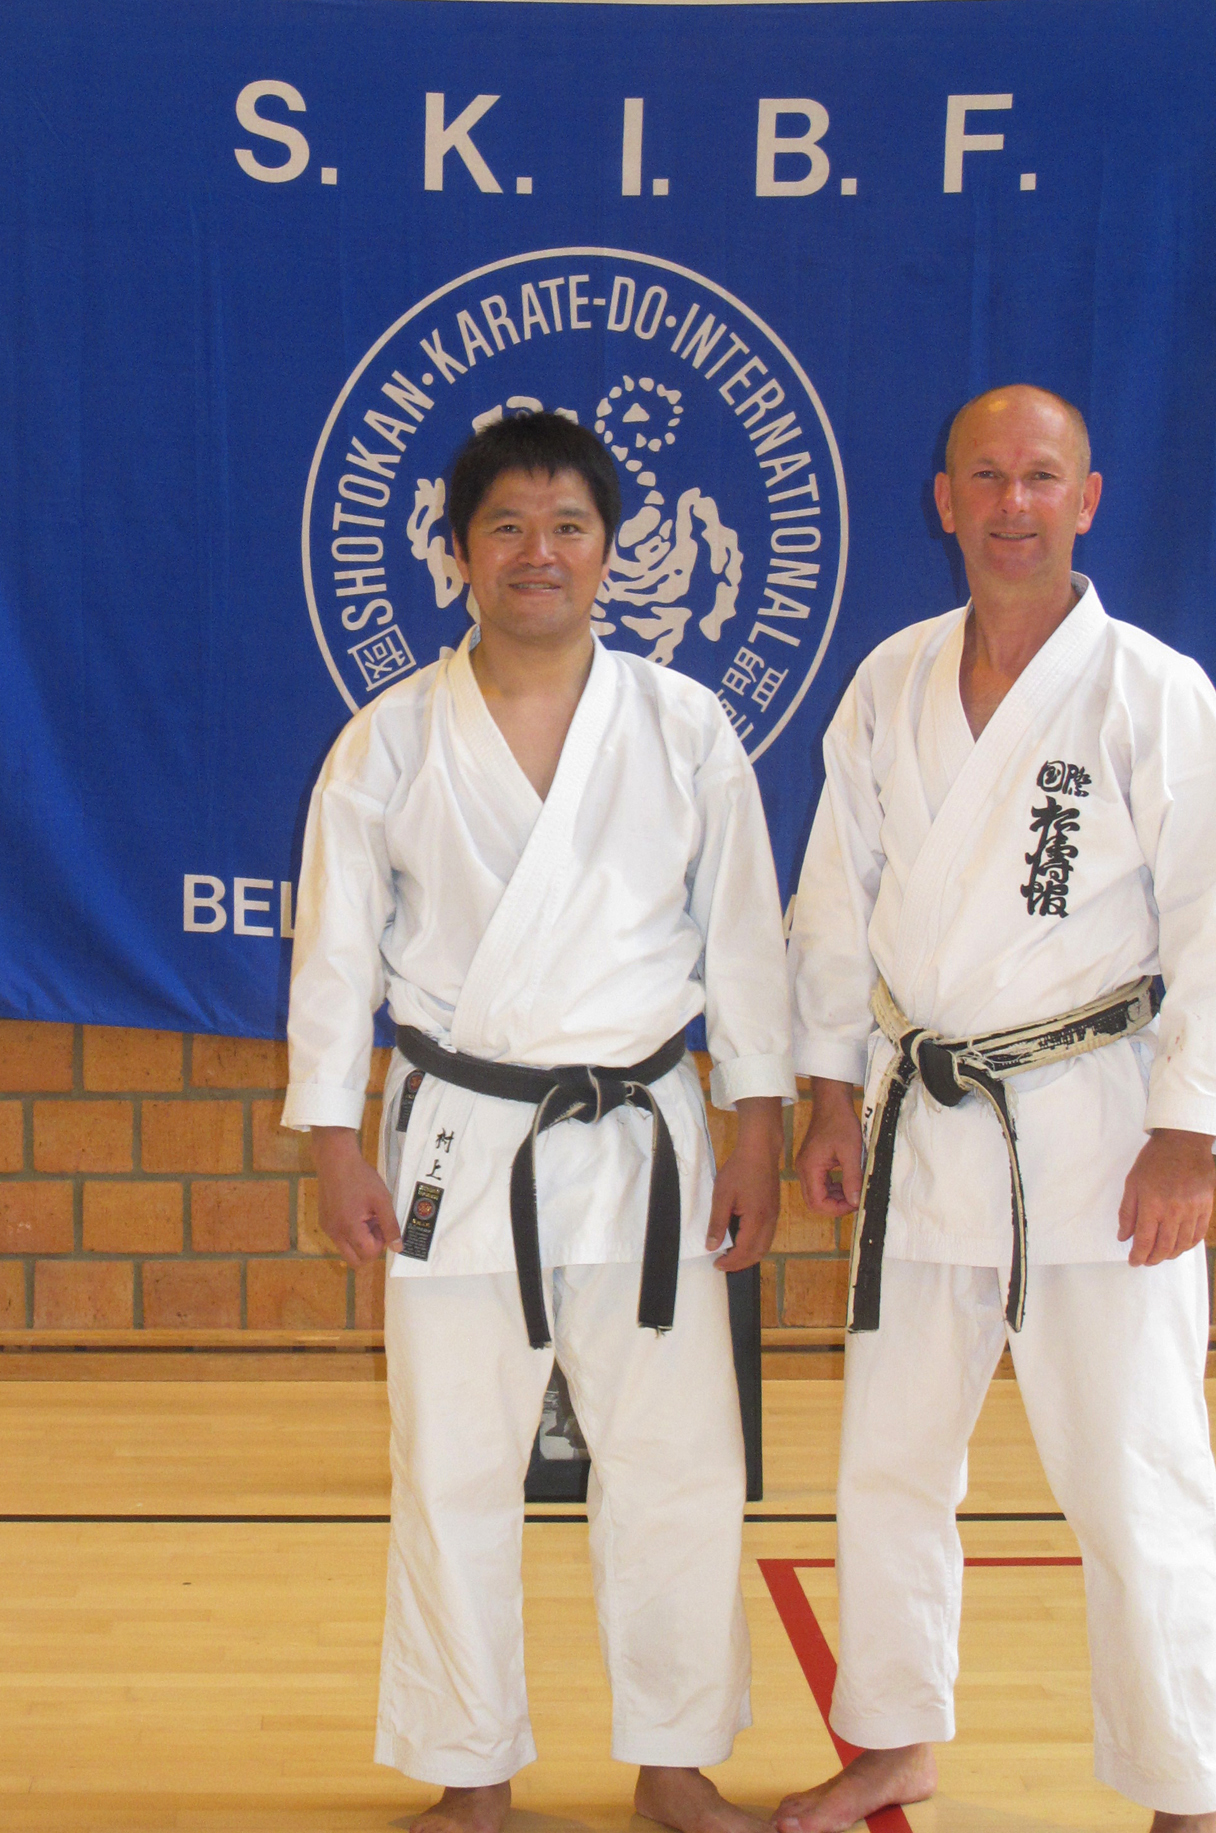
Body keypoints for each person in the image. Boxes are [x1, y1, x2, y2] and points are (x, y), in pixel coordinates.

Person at [282, 411, 794, 1833]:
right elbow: (334, 955)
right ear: (457, 553)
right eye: (506, 526)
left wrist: (757, 1126)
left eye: (568, 525)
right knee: (453, 1461)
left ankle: (675, 1761)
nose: (538, 552)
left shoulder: (683, 725)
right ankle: (471, 1767)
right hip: (461, 1139)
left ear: (610, 550)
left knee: (679, 1461)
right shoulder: (389, 740)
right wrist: (334, 1138)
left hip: (645, 1138)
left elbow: (744, 940)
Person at [780, 385, 1216, 1833]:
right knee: (890, 1461)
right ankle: (894, 1738)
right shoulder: (890, 680)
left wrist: (1193, 1130)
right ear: (944, 500)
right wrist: (829, 1093)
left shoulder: (1154, 691)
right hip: (923, 1126)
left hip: (1100, 1136)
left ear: (1086, 501)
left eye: (1041, 477)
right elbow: (833, 901)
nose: (1012, 504)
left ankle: (1185, 1781)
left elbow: (1213, 916)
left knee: (1134, 1471)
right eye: (986, 477)